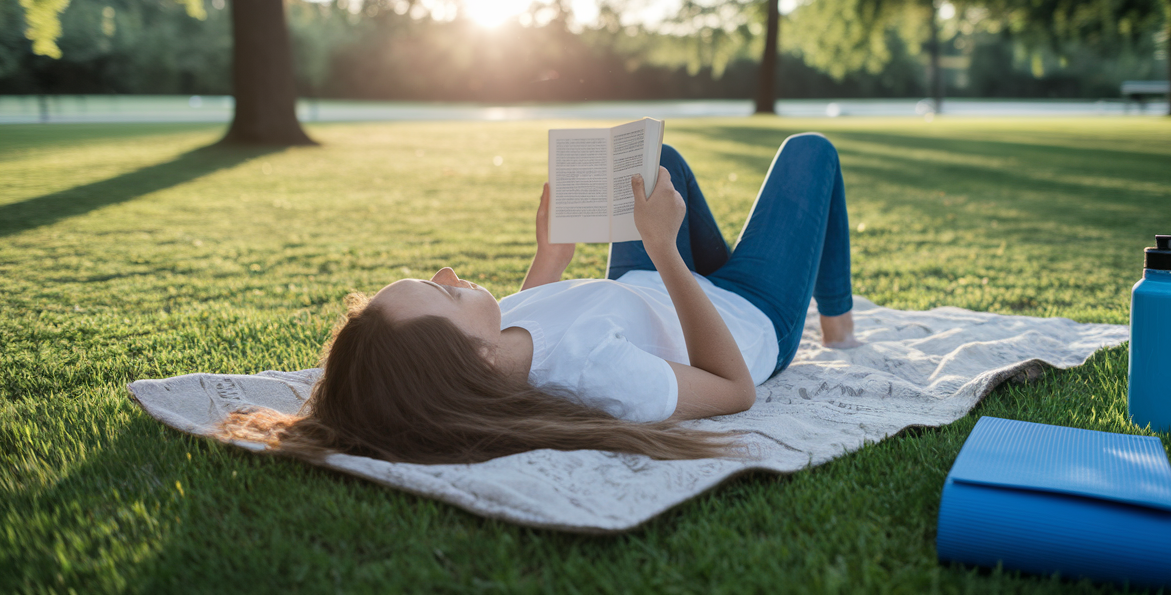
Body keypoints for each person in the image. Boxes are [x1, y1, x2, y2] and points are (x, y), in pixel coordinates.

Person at [221, 134, 857, 464]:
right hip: (743, 315)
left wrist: (550, 254)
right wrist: (662, 247)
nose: (445, 271)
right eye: (439, 293)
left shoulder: (497, 349)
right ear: (472, 361)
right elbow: (734, 389)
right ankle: (838, 325)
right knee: (810, 154)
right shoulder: (603, 380)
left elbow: (540, 325)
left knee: (653, 159)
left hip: (657, 284)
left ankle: (680, 240)